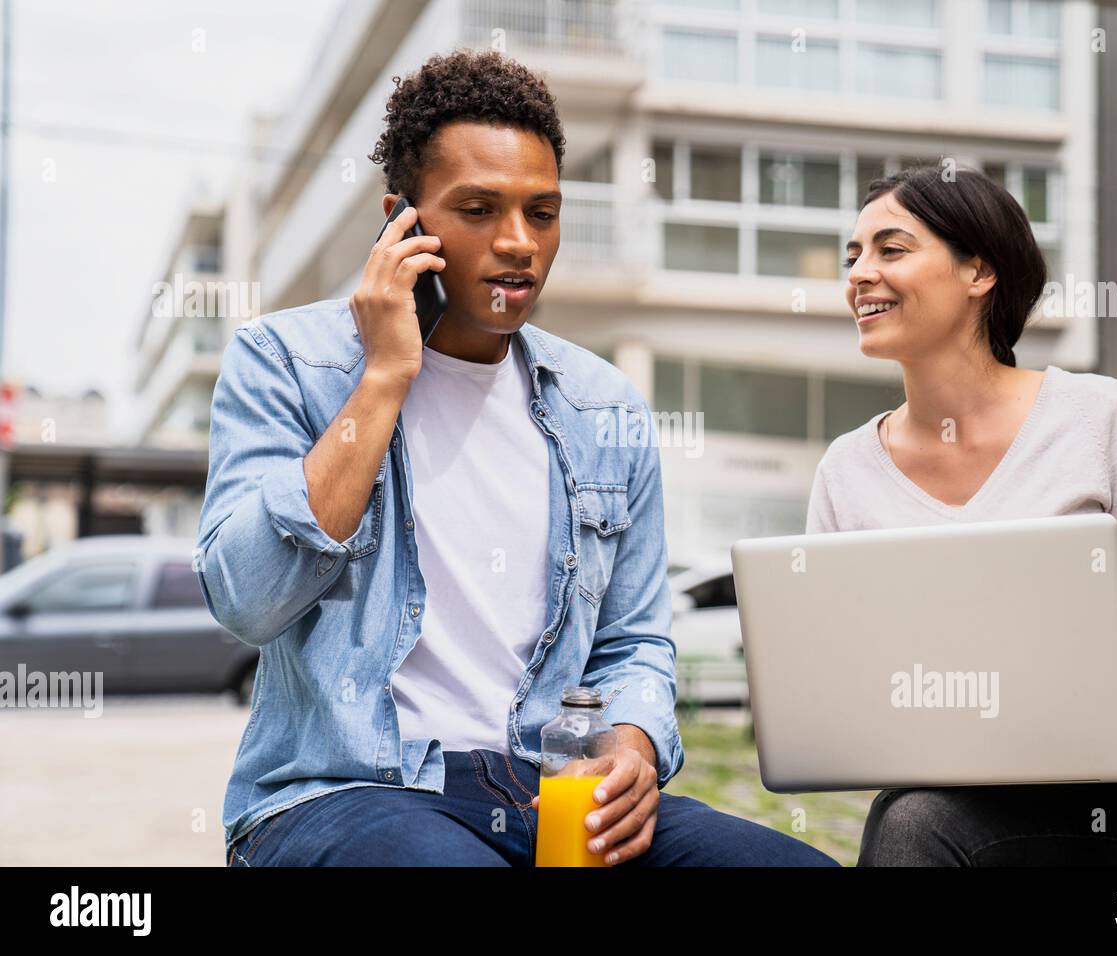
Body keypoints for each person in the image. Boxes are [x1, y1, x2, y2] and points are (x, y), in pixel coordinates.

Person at [201, 49, 835, 868]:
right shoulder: (284, 361)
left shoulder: (603, 406)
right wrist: (384, 377)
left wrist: (635, 748)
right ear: (401, 220)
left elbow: (635, 642)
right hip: (347, 792)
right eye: (478, 209)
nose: (518, 243)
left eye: (543, 212)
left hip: (551, 793)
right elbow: (246, 601)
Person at [806, 164, 1117, 866]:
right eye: (853, 257)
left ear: (979, 272)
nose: (859, 273)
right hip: (941, 804)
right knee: (911, 818)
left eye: (891, 248)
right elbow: (835, 673)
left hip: (1113, 805)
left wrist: (1086, 729)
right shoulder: (845, 471)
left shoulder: (1097, 417)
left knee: (912, 826)